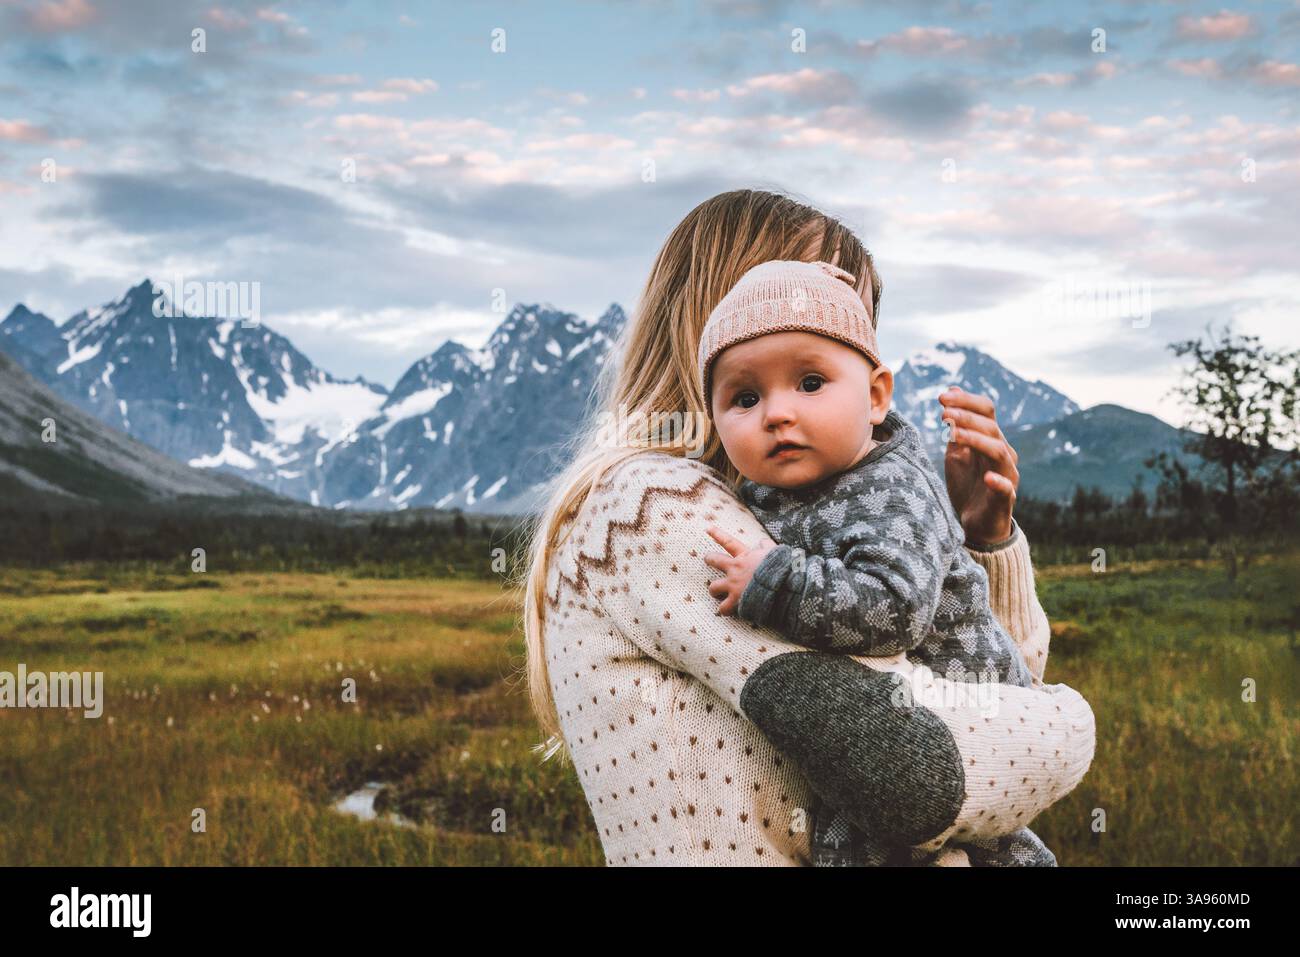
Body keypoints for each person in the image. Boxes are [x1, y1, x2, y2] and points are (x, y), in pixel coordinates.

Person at [518, 188, 1095, 865]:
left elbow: (977, 693)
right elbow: (915, 767)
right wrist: (1073, 726)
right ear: (719, 313)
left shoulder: (783, 511)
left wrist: (972, 544)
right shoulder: (651, 509)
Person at [698, 257, 1055, 866]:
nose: (777, 413)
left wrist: (775, 580)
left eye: (810, 383)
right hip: (888, 734)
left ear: (876, 396)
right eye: (745, 397)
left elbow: (894, 611)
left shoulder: (890, 487)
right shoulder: (773, 488)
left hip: (963, 720)